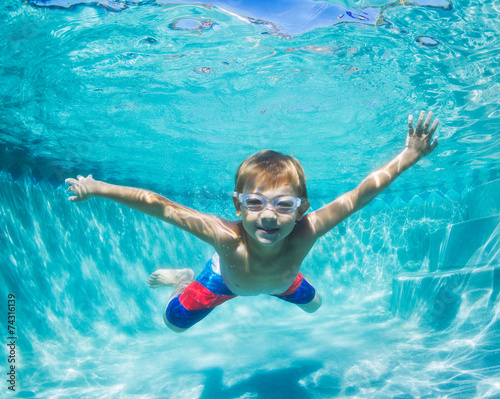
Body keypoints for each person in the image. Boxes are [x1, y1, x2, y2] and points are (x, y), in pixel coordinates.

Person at [65, 110, 439, 333]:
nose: (269, 215)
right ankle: (183, 277)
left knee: (317, 305)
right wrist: (99, 188)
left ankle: (282, 283)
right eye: (255, 202)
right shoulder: (226, 237)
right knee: (172, 323)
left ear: (302, 209)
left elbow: (358, 196)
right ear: (238, 206)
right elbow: (160, 205)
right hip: (224, 282)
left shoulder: (306, 231)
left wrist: (408, 156)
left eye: (283, 204)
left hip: (281, 280)